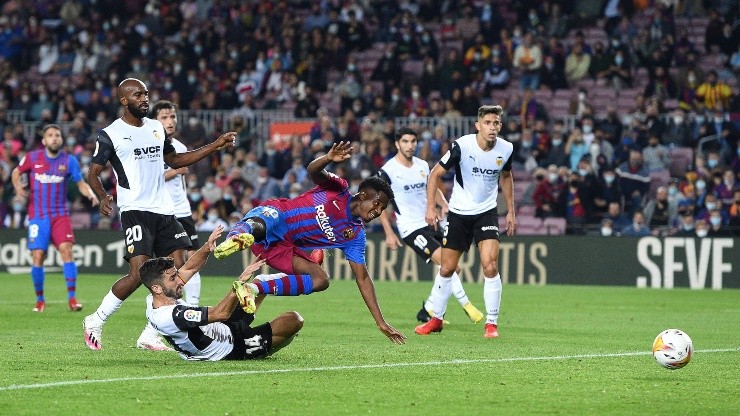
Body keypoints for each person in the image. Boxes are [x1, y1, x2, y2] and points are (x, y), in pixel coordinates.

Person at [82, 78, 237, 351]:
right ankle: (95, 319)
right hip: (135, 210)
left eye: (146, 93)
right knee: (139, 274)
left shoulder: (155, 128)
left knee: (177, 270)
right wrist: (103, 195)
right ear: (124, 100)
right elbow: (93, 173)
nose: (144, 98)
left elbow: (175, 160)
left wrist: (215, 145)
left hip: (164, 210)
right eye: (138, 94)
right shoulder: (111, 134)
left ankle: (150, 333)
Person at [213, 142, 406, 344]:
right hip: (277, 215)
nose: (378, 211)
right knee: (261, 226)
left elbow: (363, 279)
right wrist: (328, 158)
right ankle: (235, 238)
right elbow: (313, 170)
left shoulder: (355, 235)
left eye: (382, 209)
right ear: (363, 194)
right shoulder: (339, 188)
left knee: (321, 280)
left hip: (280, 248)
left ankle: (254, 289)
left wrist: (381, 322)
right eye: (377, 204)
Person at [415, 105, 516, 338]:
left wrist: (511, 211)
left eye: (497, 123)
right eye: (488, 123)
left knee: (490, 265)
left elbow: (507, 176)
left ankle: (491, 324)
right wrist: (431, 206)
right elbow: (435, 174)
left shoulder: (507, 148)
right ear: (478, 126)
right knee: (448, 267)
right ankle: (436, 320)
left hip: (486, 212)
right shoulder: (462, 146)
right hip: (459, 213)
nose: (493, 128)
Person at [141, 226, 303, 361]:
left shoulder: (156, 297)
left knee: (260, 283)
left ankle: (304, 277)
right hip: (229, 349)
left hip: (221, 327)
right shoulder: (172, 315)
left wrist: (207, 247)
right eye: (173, 278)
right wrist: (239, 283)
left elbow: (189, 268)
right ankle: (265, 347)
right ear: (157, 288)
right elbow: (221, 313)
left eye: (176, 275)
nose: (179, 280)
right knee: (294, 320)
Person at [377, 127, 484, 324]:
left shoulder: (423, 165)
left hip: (431, 222)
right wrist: (389, 232)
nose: (410, 146)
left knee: (454, 268)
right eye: (405, 142)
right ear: (397, 144)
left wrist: (443, 204)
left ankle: (427, 310)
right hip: (410, 227)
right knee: (446, 264)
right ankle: (466, 304)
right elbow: (380, 204)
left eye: (413, 141)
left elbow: (432, 190)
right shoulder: (388, 171)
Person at [11, 124, 98, 312]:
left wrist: (90, 194)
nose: (54, 138)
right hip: (38, 216)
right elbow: (16, 172)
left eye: (57, 135)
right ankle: (40, 300)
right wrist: (18, 187)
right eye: (50, 135)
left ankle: (72, 299)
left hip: (60, 215)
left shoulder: (69, 160)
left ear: (61, 139)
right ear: (44, 141)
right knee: (38, 256)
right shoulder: (33, 157)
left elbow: (80, 182)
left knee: (66, 251)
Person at [151, 100, 202, 307]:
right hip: (162, 211)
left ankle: (193, 304)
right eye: (164, 117)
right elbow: (151, 179)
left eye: (172, 116)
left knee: (192, 258)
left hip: (182, 209)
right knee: (165, 263)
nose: (170, 121)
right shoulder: (150, 147)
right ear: (154, 121)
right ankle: (161, 303)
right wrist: (175, 171)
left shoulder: (180, 147)